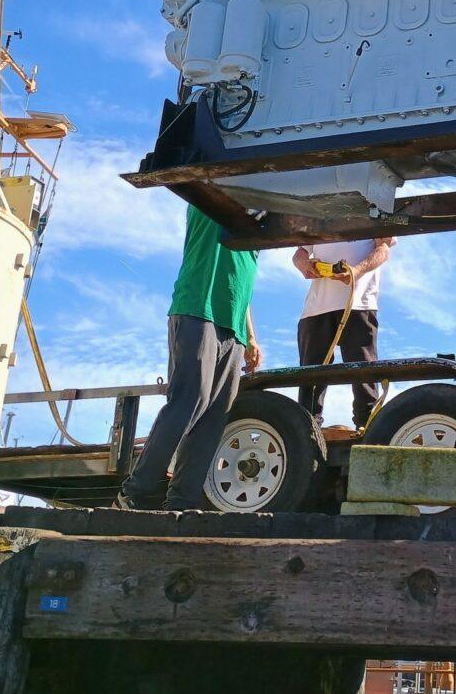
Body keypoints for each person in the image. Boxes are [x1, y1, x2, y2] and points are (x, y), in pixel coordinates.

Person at [116, 205, 262, 510]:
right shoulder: (212, 196)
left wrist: (250, 336)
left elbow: (242, 281)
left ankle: (181, 503)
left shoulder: (262, 223)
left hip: (232, 326)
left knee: (215, 414)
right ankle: (134, 493)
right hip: (198, 309)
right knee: (190, 400)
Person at [291, 238, 396, 429]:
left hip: (358, 305)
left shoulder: (375, 210)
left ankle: (369, 436)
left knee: (364, 377)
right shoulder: (318, 215)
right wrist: (306, 266)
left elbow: (384, 249)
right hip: (316, 309)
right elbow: (299, 254)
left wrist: (356, 271)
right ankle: (307, 436)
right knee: (310, 382)